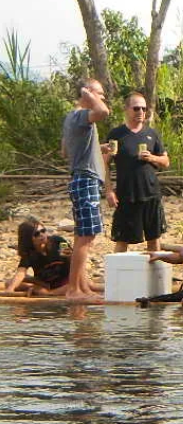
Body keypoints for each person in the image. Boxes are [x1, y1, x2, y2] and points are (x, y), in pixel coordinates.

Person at [61, 79, 110, 301]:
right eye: (99, 93)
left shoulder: (72, 118)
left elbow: (65, 150)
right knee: (87, 236)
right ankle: (74, 290)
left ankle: (82, 287)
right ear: (88, 94)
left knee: (82, 234)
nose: (102, 98)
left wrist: (96, 149)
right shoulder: (81, 114)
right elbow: (103, 112)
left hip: (81, 178)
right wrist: (89, 95)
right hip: (85, 179)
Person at [104, 92, 170, 253]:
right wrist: (109, 191)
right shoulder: (116, 134)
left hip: (151, 193)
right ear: (126, 110)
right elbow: (104, 164)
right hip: (126, 195)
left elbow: (166, 162)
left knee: (154, 238)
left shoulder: (151, 134)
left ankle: (155, 276)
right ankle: (117, 275)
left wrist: (152, 157)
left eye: (143, 108)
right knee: (122, 239)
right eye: (136, 108)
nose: (140, 112)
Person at [6, 217, 102, 296]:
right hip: (46, 282)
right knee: (9, 283)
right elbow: (20, 273)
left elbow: (72, 260)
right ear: (28, 238)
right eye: (37, 234)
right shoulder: (30, 253)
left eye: (43, 231)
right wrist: (10, 290)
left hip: (65, 280)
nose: (42, 235)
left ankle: (46, 293)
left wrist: (81, 279)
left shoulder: (58, 242)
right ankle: (39, 290)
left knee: (88, 284)